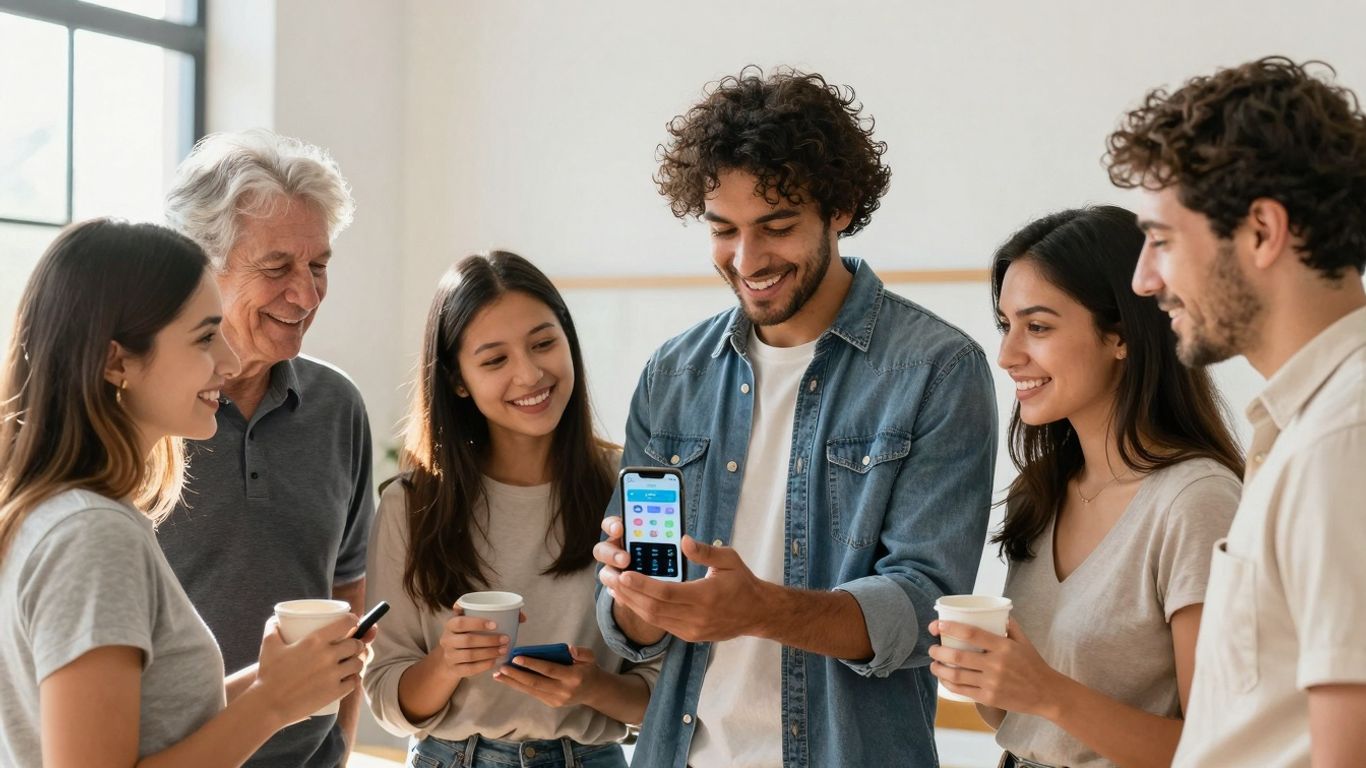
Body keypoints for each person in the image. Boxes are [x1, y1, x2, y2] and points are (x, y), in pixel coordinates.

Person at [591, 67, 998, 768]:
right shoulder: (674, 375)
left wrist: (758, 609)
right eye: (724, 230)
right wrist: (633, 595)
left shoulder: (936, 369)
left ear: (838, 209)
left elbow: (920, 607)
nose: (747, 260)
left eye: (776, 227)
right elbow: (632, 634)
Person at [0, 219, 371, 767]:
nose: (228, 359)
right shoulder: (91, 535)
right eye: (204, 337)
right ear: (115, 361)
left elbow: (148, 726)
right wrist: (271, 703)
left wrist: (275, 686)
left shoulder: (67, 514)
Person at [1105, 56, 1366, 767]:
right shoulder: (1306, 425)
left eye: (1160, 240)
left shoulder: (1342, 441)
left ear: (1261, 231)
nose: (1143, 278)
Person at [927, 206, 1244, 768]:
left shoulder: (1195, 502)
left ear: (1120, 336)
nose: (1007, 354)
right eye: (1007, 325)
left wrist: (1047, 692)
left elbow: (1216, 752)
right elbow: (1024, 723)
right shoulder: (1041, 492)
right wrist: (987, 679)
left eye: (1039, 326)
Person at [363, 252, 657, 768]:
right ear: (458, 380)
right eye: (495, 360)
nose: (529, 374)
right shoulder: (411, 504)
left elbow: (666, 696)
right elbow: (389, 698)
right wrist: (446, 664)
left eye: (544, 343)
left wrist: (591, 688)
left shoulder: (632, 491)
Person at [157, 129, 375, 767]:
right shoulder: (138, 414)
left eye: (318, 266)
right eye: (277, 268)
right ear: (201, 266)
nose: (306, 295)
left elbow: (347, 591)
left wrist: (340, 746)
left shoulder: (338, 407)